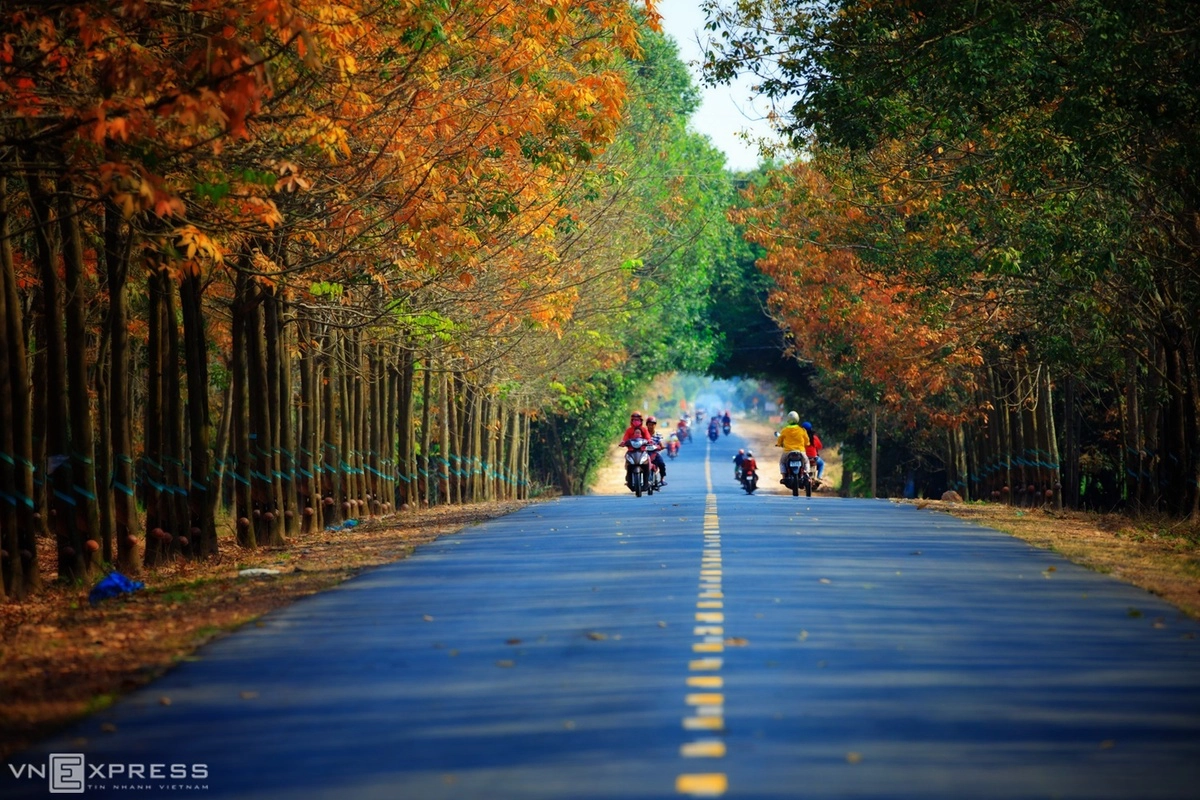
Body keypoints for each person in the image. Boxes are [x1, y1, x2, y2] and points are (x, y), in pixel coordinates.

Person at [775, 410, 811, 481]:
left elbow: (780, 439)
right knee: (806, 461)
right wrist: (807, 444)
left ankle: (784, 477)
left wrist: (779, 444)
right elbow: (807, 440)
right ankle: (806, 474)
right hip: (800, 451)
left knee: (782, 463)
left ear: (788, 419)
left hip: (788, 452)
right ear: (797, 419)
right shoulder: (802, 430)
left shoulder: (785, 430)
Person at [645, 415, 667, 485]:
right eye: (649, 425)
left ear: (655, 425)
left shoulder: (658, 434)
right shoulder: (644, 434)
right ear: (647, 425)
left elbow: (661, 442)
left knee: (661, 464)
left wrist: (662, 446)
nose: (651, 426)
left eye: (652, 425)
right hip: (645, 453)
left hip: (655, 453)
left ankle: (662, 478)